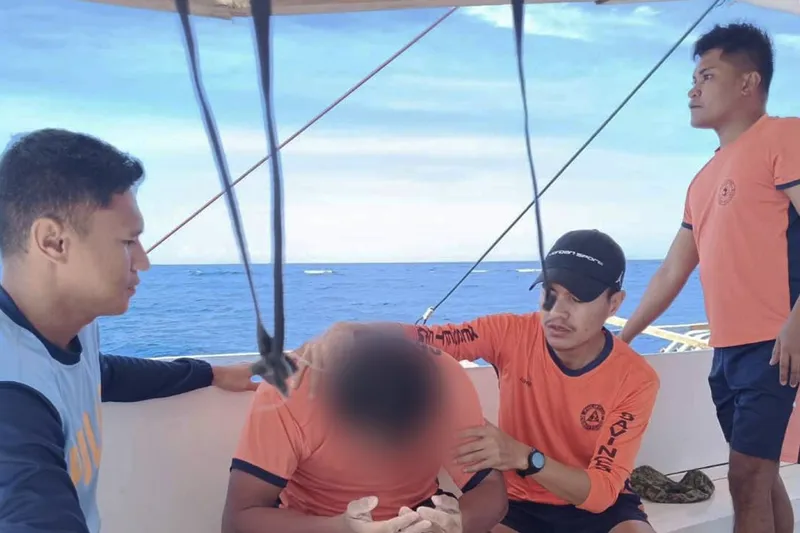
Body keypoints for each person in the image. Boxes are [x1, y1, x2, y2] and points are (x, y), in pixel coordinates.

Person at [297, 229, 661, 533]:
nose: (557, 312)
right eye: (549, 294)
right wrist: (352, 330)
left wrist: (522, 456)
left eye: (576, 299)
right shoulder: (511, 333)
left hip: (601, 511)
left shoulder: (636, 378)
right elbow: (432, 338)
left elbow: (601, 493)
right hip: (518, 504)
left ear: (614, 304)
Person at [0, 129, 259, 533]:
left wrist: (211, 373)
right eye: (127, 242)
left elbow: (100, 372)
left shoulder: (71, 324)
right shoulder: (13, 400)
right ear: (53, 241)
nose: (143, 262)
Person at [618, 22, 800, 533]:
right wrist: (623, 340)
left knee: (745, 480)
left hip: (776, 345)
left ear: (748, 82)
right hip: (727, 352)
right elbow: (673, 269)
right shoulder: (701, 180)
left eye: (707, 76)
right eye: (693, 79)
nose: (692, 90)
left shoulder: (784, 136)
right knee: (762, 479)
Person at [222, 330, 509, 533]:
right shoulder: (287, 391)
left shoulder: (448, 380)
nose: (388, 455)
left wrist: (457, 525)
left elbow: (489, 488)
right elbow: (238, 520)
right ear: (332, 403)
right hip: (317, 523)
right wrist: (339, 528)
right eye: (377, 438)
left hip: (421, 519)